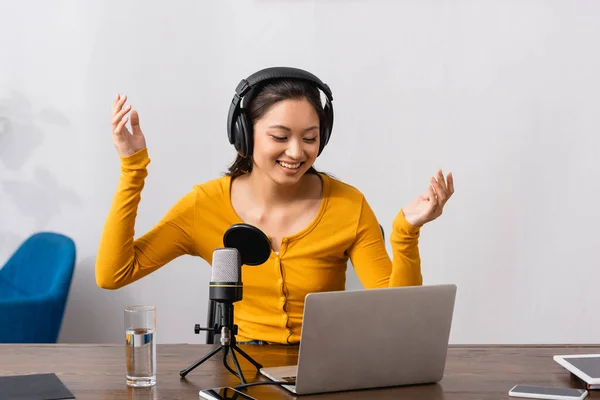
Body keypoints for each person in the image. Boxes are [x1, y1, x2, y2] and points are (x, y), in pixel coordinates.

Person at [95, 67, 454, 345]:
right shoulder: (203, 206)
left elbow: (400, 316)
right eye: (280, 137)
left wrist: (406, 232)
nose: (297, 152)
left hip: (328, 365)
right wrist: (132, 168)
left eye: (310, 138)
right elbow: (113, 274)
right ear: (243, 135)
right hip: (243, 367)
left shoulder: (348, 205)